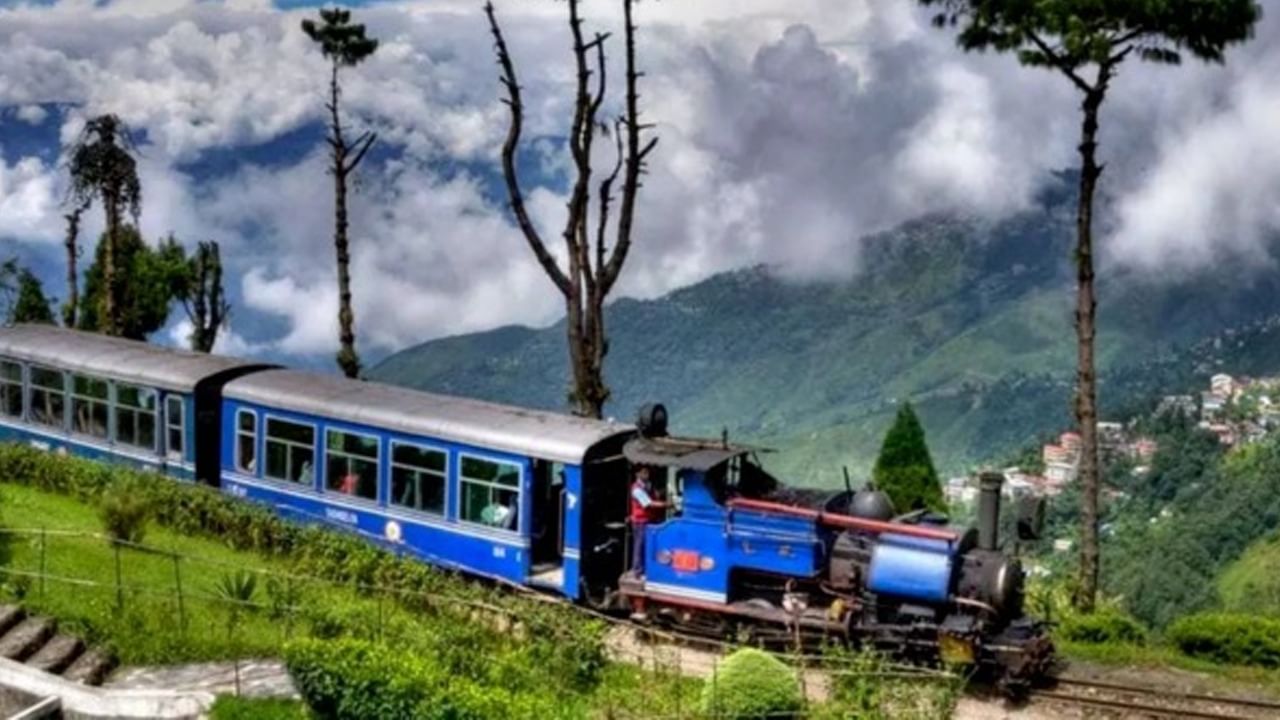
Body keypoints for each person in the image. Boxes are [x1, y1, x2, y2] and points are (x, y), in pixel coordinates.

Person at [629, 466, 666, 577]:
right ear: (637, 474)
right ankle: (637, 570)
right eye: (644, 472)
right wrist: (666, 505)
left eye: (647, 472)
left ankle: (647, 568)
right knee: (639, 546)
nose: (647, 474)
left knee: (647, 545)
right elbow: (648, 503)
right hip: (640, 521)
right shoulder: (636, 489)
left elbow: (655, 495)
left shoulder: (648, 485)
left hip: (649, 519)